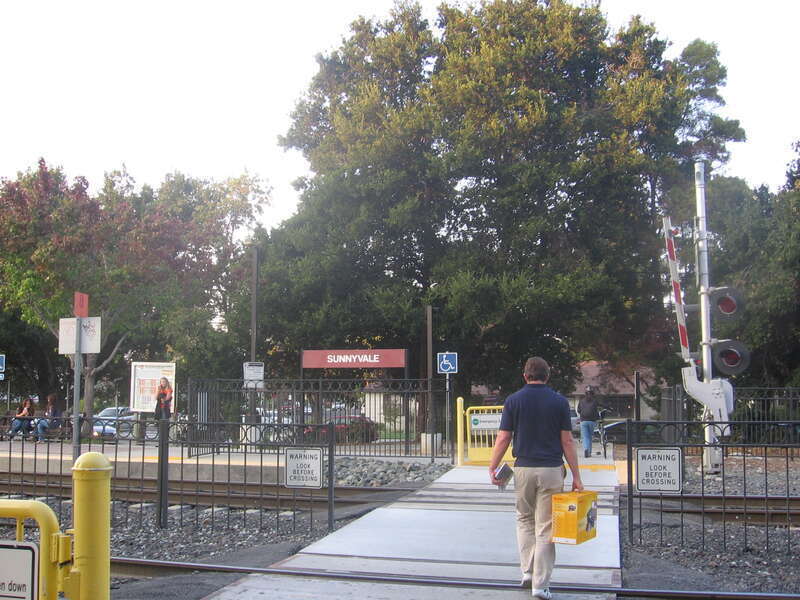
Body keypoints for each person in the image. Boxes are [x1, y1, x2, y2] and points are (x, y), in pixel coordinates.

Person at [489, 357, 583, 600]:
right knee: (546, 527)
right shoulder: (560, 402)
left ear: (525, 376)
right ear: (547, 376)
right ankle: (540, 585)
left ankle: (527, 572)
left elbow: (503, 438)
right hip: (551, 470)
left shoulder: (513, 401)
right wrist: (576, 475)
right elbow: (567, 441)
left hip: (523, 470)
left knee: (524, 521)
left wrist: (493, 466)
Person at [578, 385, 601, 458]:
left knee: (585, 437)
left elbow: (579, 410)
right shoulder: (595, 401)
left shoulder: (581, 401)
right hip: (592, 421)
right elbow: (598, 408)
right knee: (590, 437)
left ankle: (586, 450)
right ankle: (589, 452)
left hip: (583, 421)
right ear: (592, 393)